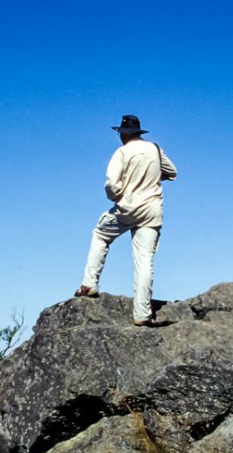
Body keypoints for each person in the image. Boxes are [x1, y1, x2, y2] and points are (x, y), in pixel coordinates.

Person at [74, 115, 177, 327]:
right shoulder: (155, 149)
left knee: (100, 235)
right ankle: (142, 313)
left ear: (123, 134)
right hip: (151, 208)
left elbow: (112, 184)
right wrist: (152, 177)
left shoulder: (121, 152)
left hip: (127, 207)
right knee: (144, 260)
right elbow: (172, 172)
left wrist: (117, 195)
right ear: (139, 132)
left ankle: (89, 284)